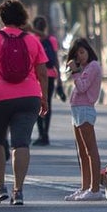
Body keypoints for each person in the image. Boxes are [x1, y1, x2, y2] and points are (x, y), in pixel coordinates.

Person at [0, 0, 48, 206]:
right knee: (21, 143)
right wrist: (43, 97)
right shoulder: (32, 40)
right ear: (23, 18)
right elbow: (42, 73)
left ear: (2, 17)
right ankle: (19, 191)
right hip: (29, 97)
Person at [64, 38, 104, 200]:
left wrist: (75, 72)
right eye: (76, 54)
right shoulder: (85, 68)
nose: (79, 56)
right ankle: (85, 186)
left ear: (88, 51)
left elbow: (82, 87)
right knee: (81, 152)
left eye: (82, 52)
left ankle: (95, 189)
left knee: (90, 150)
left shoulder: (93, 66)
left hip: (85, 109)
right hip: (76, 110)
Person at [30, 16, 62, 146]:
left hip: (37, 76)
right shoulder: (52, 40)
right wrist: (59, 78)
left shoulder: (33, 40)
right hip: (51, 75)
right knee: (47, 104)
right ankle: (45, 135)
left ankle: (41, 134)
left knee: (38, 104)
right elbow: (56, 60)